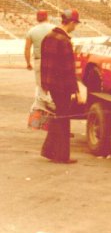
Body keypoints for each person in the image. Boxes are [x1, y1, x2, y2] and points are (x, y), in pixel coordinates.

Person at [40, 9, 84, 164]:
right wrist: (76, 91)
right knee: (64, 119)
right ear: (71, 23)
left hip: (51, 84)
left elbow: (44, 63)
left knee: (58, 116)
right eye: (75, 24)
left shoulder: (49, 36)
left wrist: (44, 84)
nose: (75, 27)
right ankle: (61, 156)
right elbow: (68, 69)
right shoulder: (64, 41)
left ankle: (49, 150)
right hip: (62, 86)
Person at [24, 9, 55, 112]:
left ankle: (44, 105)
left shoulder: (32, 31)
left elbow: (27, 48)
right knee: (53, 82)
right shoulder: (54, 28)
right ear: (47, 17)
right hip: (53, 60)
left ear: (37, 18)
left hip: (39, 60)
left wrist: (28, 63)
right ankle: (50, 103)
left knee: (40, 84)